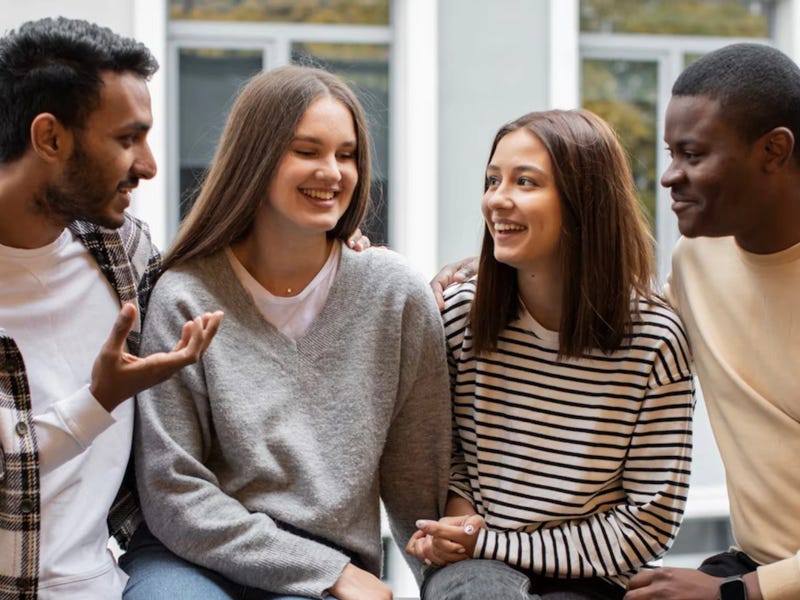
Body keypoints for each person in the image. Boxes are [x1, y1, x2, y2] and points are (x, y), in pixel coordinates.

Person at [120, 65, 451, 600]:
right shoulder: (184, 294)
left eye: (346, 155)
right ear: (256, 157)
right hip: (191, 558)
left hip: (327, 561)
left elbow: (420, 484)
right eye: (307, 150)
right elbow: (171, 487)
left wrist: (439, 579)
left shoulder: (396, 296)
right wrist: (330, 574)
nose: (333, 171)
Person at [408, 109, 695, 600]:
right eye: (492, 180)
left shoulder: (654, 339)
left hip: (595, 574)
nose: (497, 199)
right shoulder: (458, 314)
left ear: (585, 201)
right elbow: (449, 456)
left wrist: (494, 542)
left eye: (525, 182)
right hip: (476, 568)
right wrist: (460, 531)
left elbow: (647, 524)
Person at [0, 17, 222, 599]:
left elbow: (230, 283)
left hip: (111, 581)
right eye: (128, 139)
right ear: (50, 138)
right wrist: (100, 399)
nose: (148, 165)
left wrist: (335, 254)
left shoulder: (120, 250)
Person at [623, 42, 800, 600]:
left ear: (773, 151)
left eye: (693, 155)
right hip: (755, 569)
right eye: (672, 153)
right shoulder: (695, 263)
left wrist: (740, 593)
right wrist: (498, 266)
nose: (669, 177)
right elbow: (609, 331)